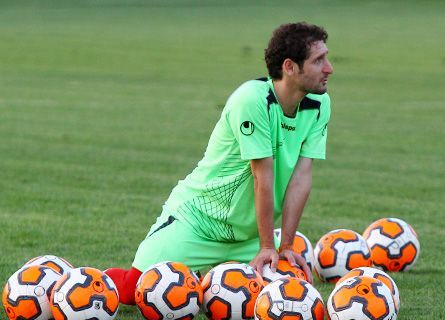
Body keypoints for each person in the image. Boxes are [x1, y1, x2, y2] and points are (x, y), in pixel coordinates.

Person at [105, 22, 333, 304]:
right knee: (132, 293)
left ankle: (204, 281)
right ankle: (82, 284)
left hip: (248, 236)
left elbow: (302, 177)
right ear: (289, 67)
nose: (329, 68)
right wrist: (266, 246)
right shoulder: (251, 100)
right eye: (318, 60)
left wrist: (284, 244)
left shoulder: (320, 104)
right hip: (198, 220)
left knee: (288, 300)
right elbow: (263, 176)